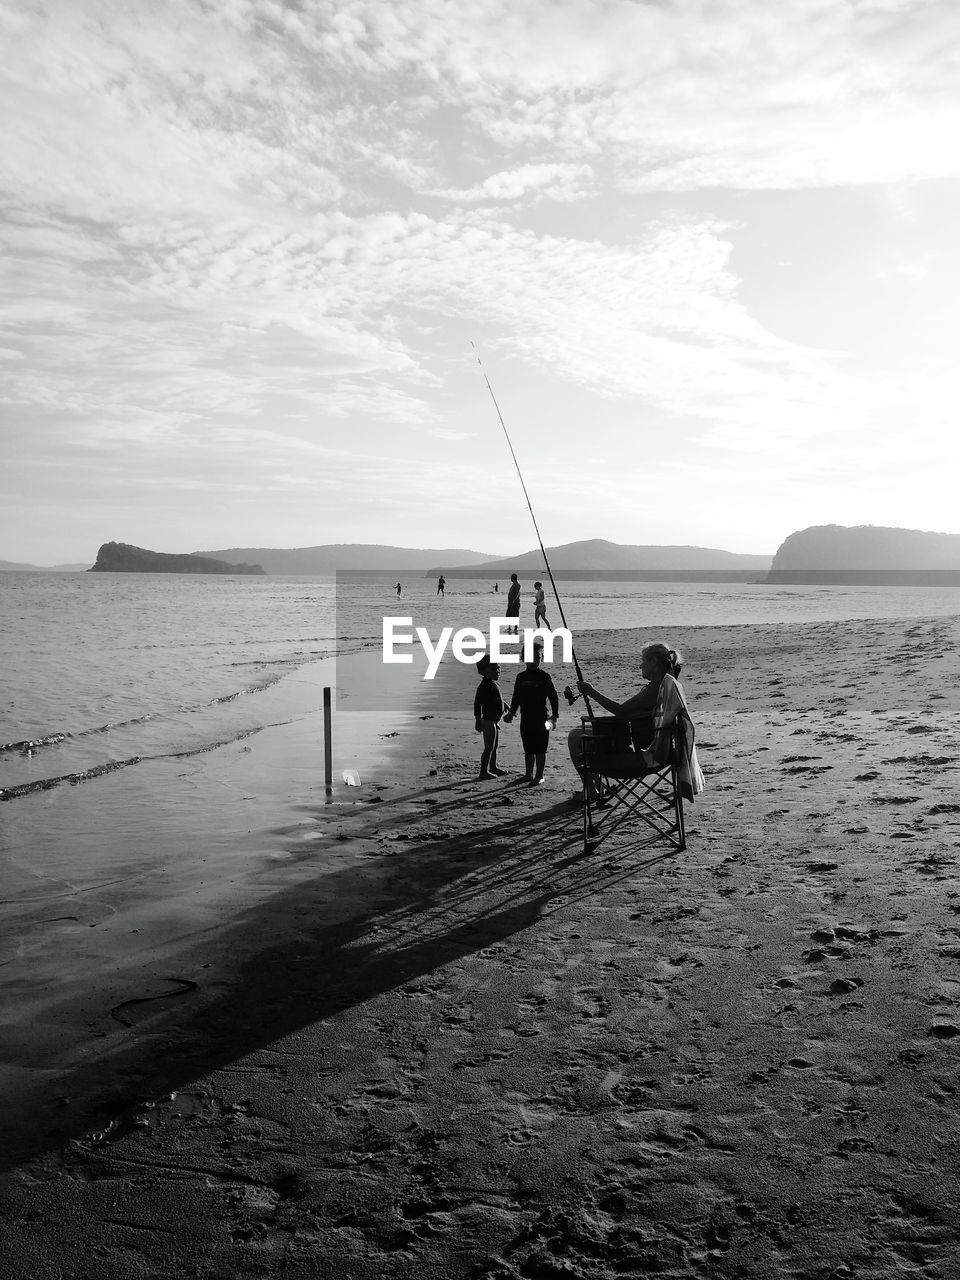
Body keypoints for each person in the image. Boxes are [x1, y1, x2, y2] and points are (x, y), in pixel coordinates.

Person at [568, 643, 703, 800]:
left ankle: (591, 790)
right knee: (583, 732)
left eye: (643, 660)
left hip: (642, 749)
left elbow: (621, 711)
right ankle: (596, 787)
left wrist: (590, 692)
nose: (640, 666)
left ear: (653, 662)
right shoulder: (666, 684)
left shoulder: (656, 688)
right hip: (651, 740)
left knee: (575, 736)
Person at [503, 640, 559, 785]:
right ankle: (528, 774)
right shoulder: (520, 677)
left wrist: (555, 715)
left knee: (541, 748)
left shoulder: (544, 677)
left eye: (537, 657)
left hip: (542, 717)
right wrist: (511, 712)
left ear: (542, 658)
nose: (533, 661)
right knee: (528, 747)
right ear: (523, 658)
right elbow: (516, 697)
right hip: (526, 717)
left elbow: (553, 696)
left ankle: (539, 775)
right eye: (530, 657)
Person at [474, 655, 507, 779]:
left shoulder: (493, 684)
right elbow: (477, 704)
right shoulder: (484, 686)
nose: (497, 671)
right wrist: (478, 720)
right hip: (488, 721)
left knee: (494, 746)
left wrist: (505, 705)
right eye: (493, 669)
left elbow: (496, 699)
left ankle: (493, 767)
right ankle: (483, 771)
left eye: (498, 668)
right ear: (483, 671)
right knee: (489, 747)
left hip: (494, 721)